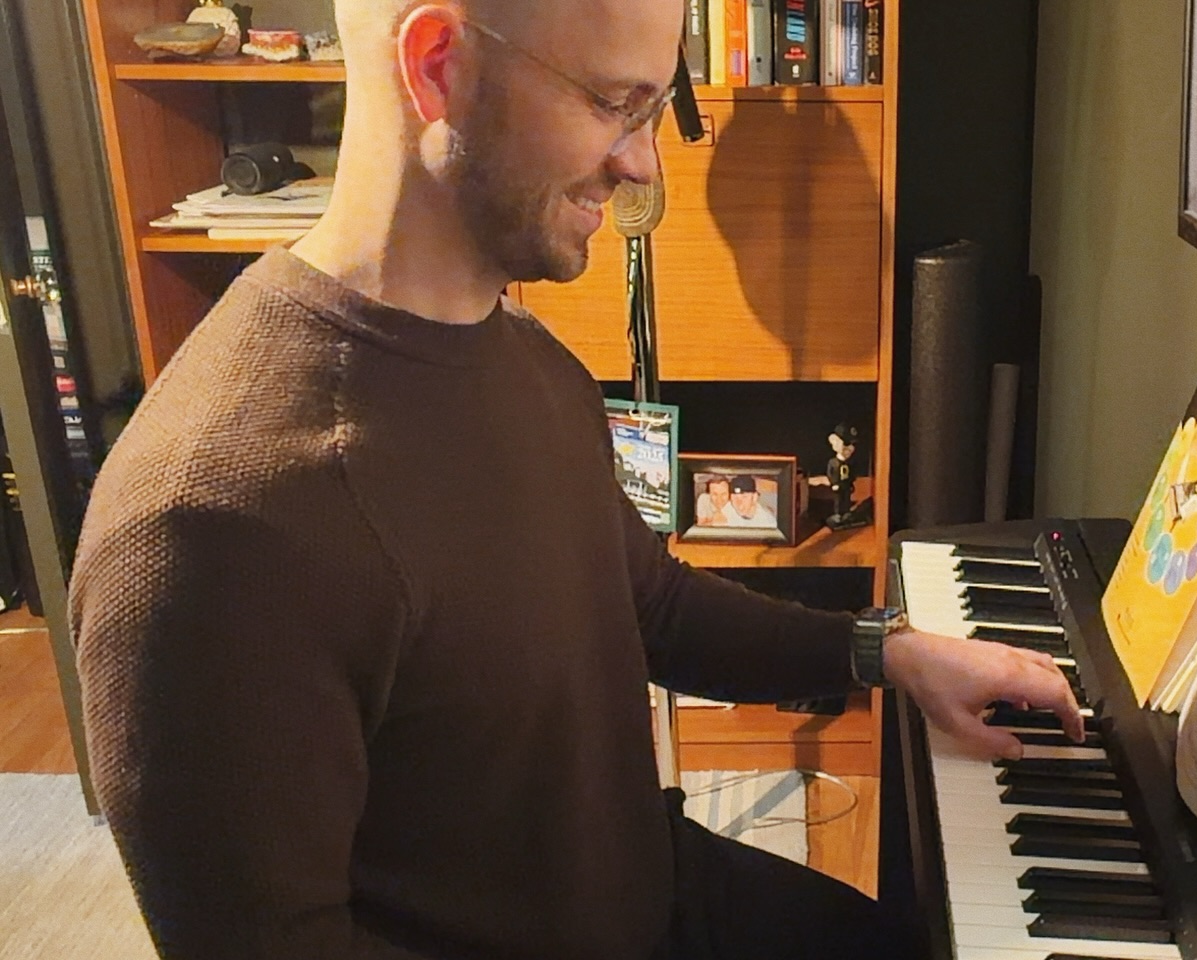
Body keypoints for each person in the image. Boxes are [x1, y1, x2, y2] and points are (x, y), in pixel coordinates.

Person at [69, 1, 1084, 958]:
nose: (641, 164)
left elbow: (650, 604)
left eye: (654, 108)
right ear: (438, 65)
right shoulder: (212, 525)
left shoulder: (527, 356)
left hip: (655, 891)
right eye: (613, 104)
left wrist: (889, 652)